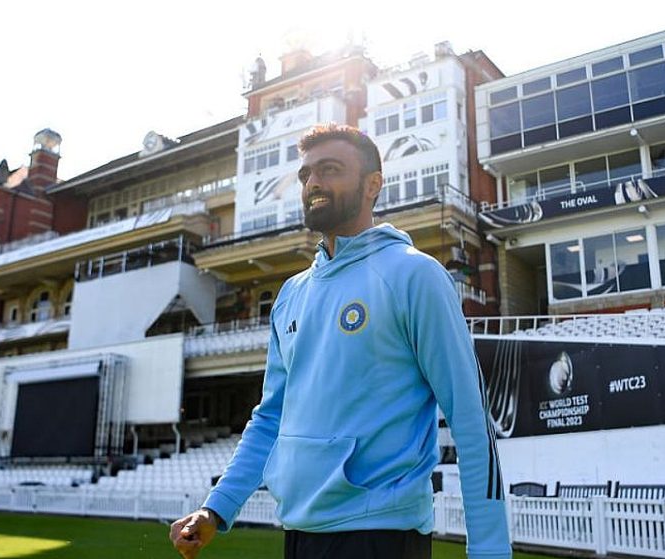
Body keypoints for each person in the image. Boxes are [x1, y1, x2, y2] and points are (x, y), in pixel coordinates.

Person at [169, 123, 510, 559]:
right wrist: (215, 509)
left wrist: (490, 551)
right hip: (300, 531)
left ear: (373, 185)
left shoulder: (415, 275)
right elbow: (270, 418)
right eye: (306, 174)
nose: (313, 183)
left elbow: (470, 418)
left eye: (330, 169)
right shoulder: (290, 295)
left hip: (382, 535)